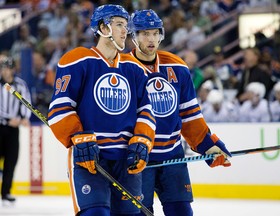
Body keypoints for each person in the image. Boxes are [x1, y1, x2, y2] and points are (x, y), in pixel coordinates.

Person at [47, 5, 156, 216]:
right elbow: (59, 107)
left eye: (126, 26)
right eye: (119, 25)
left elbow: (146, 111)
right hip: (90, 159)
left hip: (127, 160)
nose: (125, 31)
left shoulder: (133, 67)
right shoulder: (78, 60)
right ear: (103, 28)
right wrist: (77, 136)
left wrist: (142, 140)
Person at [129, 9, 232, 216]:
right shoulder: (123, 68)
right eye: (144, 33)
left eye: (155, 33)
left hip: (172, 157)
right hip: (139, 159)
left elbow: (190, 115)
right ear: (134, 36)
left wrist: (209, 145)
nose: (151, 39)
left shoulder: (177, 67)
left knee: (182, 212)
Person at [0, 54, 31, 205]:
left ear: (12, 69)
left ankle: (6, 193)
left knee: (11, 161)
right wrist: (7, 119)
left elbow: (26, 102)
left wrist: (24, 117)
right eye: (3, 68)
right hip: (0, 127)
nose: (6, 71)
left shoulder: (20, 85)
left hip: (13, 130)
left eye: (8, 68)